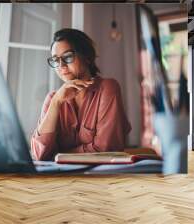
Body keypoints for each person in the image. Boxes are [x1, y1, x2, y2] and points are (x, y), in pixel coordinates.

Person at [31, 28, 131, 161]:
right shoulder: (53, 98)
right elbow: (39, 154)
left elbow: (105, 149)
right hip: (62, 177)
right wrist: (55, 103)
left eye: (67, 57)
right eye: (55, 60)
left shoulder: (107, 88)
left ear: (87, 57)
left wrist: (59, 154)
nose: (61, 65)